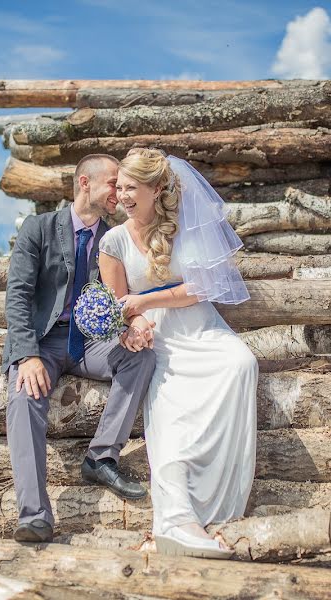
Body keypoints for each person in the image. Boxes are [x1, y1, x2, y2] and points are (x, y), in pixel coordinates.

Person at [98, 148, 258, 559]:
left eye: (132, 187)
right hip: (161, 338)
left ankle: (219, 503)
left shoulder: (186, 225)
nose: (123, 195)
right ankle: (176, 518)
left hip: (200, 326)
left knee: (241, 363)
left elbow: (201, 288)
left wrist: (146, 303)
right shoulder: (113, 241)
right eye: (120, 187)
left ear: (157, 189)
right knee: (170, 411)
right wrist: (133, 328)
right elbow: (120, 307)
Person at [3, 153, 157, 544]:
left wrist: (126, 330)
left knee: (142, 358)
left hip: (91, 342)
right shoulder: (38, 229)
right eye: (112, 184)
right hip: (42, 342)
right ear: (85, 183)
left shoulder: (112, 238)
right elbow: (18, 295)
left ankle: (101, 457)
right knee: (25, 396)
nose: (118, 194)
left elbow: (117, 295)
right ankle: (35, 515)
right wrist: (27, 355)